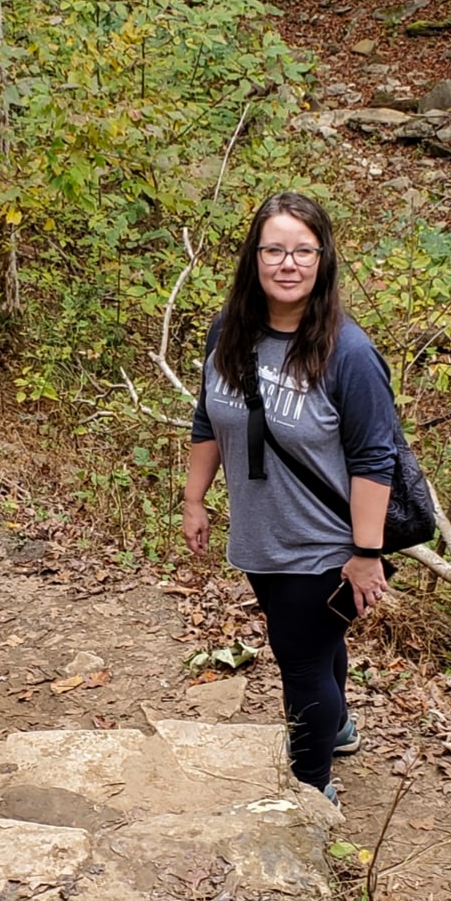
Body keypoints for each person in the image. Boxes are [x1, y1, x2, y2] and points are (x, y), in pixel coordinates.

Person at [183, 192, 397, 806]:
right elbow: (208, 418)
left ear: (323, 259)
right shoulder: (229, 331)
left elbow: (373, 460)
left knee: (299, 661)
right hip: (258, 535)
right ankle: (340, 729)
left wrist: (365, 551)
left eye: (303, 251)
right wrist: (195, 499)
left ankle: (311, 791)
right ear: (254, 257)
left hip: (325, 545)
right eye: (274, 249)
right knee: (317, 644)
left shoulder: (347, 353)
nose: (288, 263)